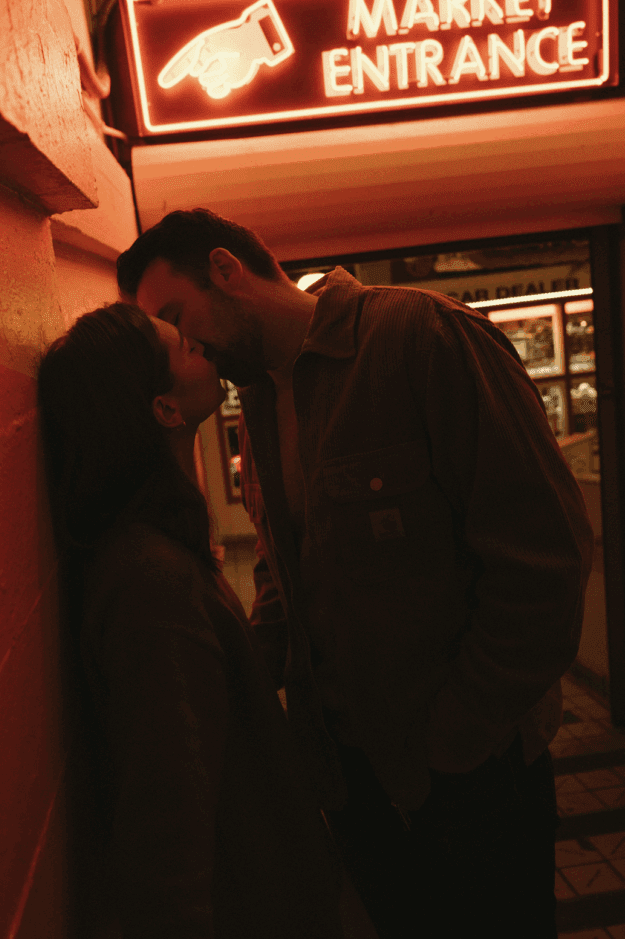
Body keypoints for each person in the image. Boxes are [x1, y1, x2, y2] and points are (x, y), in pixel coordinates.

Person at [116, 208, 594, 939]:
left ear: (225, 268)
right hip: (353, 781)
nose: (188, 346)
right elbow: (290, 569)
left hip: (470, 775)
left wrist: (456, 738)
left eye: (179, 318)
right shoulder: (260, 396)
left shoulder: (419, 337)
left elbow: (546, 556)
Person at [37, 302, 350, 939]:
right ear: (164, 409)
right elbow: (166, 815)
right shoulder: (153, 583)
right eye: (184, 345)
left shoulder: (153, 551)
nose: (203, 347)